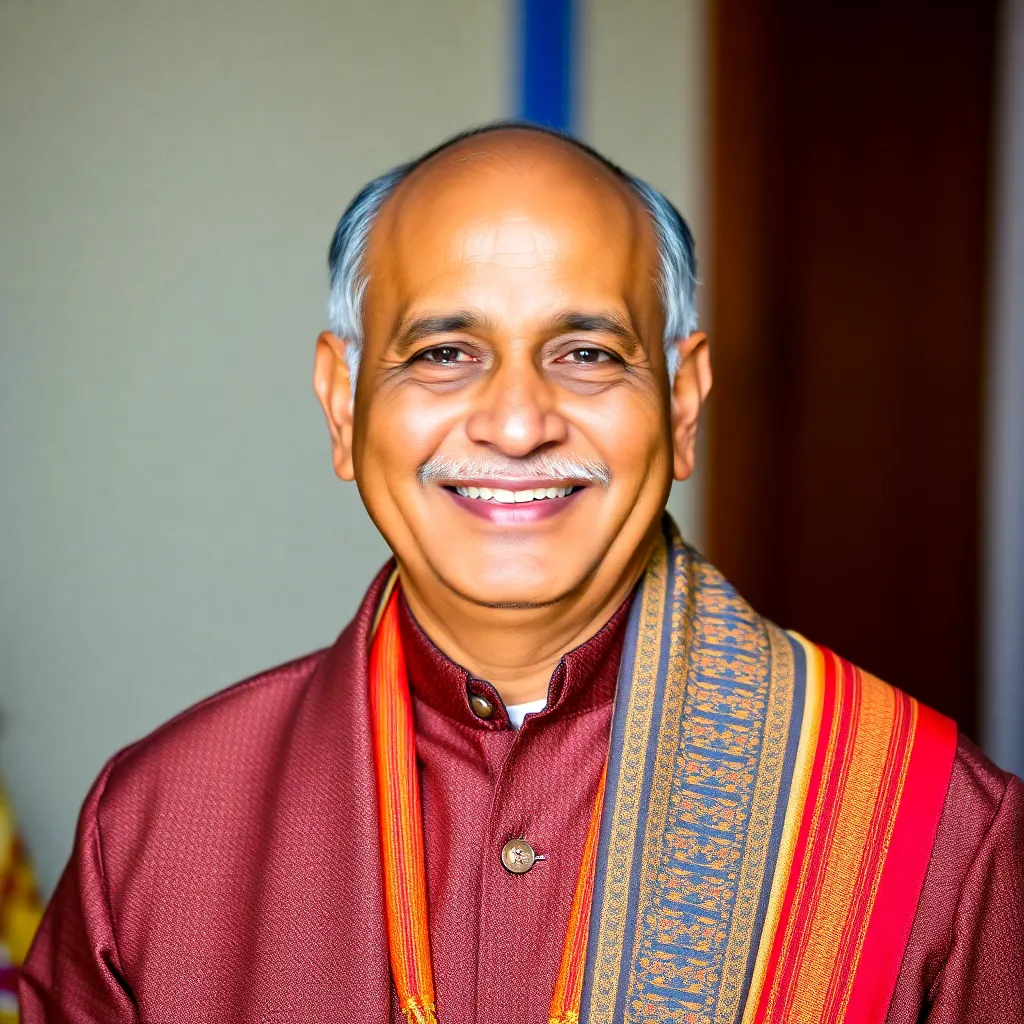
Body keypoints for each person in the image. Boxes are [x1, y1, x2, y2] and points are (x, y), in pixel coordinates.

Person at [20, 122, 1024, 1024]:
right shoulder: (157, 827)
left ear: (682, 403)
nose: (514, 422)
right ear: (342, 402)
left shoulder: (928, 824)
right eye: (443, 352)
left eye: (586, 353)